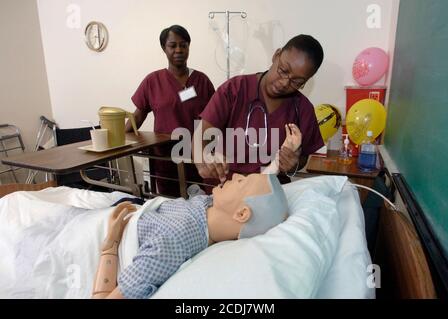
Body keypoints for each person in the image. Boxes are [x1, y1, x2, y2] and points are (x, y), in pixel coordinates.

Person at [91, 173, 288, 299]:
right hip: (118, 212)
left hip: (93, 233)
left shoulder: (174, 240)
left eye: (242, 181)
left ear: (242, 214)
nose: (235, 174)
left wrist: (110, 247)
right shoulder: (206, 204)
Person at [194, 34, 324, 186]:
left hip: (271, 190)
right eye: (283, 70)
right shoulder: (235, 89)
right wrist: (203, 160)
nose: (283, 83)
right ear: (276, 55)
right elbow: (201, 134)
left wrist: (293, 163)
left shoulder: (302, 108)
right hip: (226, 186)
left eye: (296, 82)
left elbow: (303, 158)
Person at [126, 25, 215, 197]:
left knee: (201, 205)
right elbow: (138, 115)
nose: (179, 50)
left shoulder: (202, 81)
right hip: (165, 159)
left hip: (197, 159)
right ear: (164, 48)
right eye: (172, 46)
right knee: (170, 205)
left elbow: (217, 116)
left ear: (189, 47)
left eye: (183, 45)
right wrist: (119, 138)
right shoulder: (153, 81)